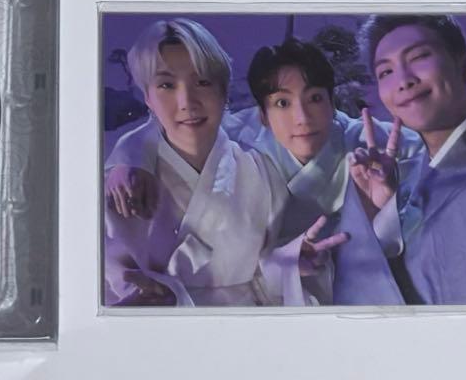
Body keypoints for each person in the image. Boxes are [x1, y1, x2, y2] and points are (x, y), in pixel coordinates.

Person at [102, 20, 344, 307]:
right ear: (148, 98)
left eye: (203, 82)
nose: (187, 101)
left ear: (224, 91)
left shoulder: (261, 174)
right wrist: (158, 300)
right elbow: (105, 282)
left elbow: (265, 275)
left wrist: (290, 264)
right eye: (166, 85)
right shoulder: (124, 182)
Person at [107, 36, 421, 243]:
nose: (302, 117)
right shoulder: (243, 133)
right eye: (282, 103)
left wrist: (387, 200)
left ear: (332, 102)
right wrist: (129, 160)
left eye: (314, 98)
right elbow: (170, 127)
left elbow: (426, 153)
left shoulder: (368, 140)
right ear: (262, 114)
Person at [337, 14, 466, 306]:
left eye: (420, 57)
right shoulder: (404, 181)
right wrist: (382, 212)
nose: (403, 81)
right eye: (386, 72)